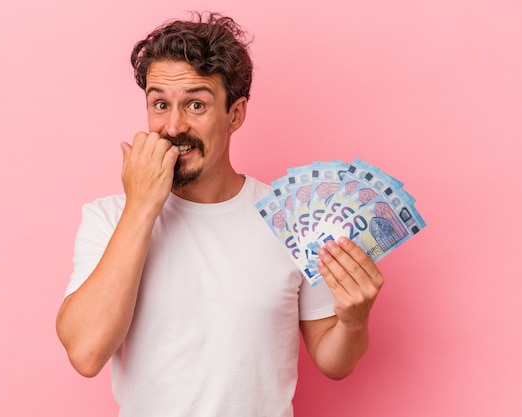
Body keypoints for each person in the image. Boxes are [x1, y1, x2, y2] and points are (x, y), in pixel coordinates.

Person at [56, 12, 384, 417]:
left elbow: (334, 362)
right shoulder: (108, 218)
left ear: (235, 114)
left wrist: (353, 321)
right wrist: (142, 207)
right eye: (160, 104)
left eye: (196, 104)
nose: (174, 126)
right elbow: (86, 354)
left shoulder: (290, 219)